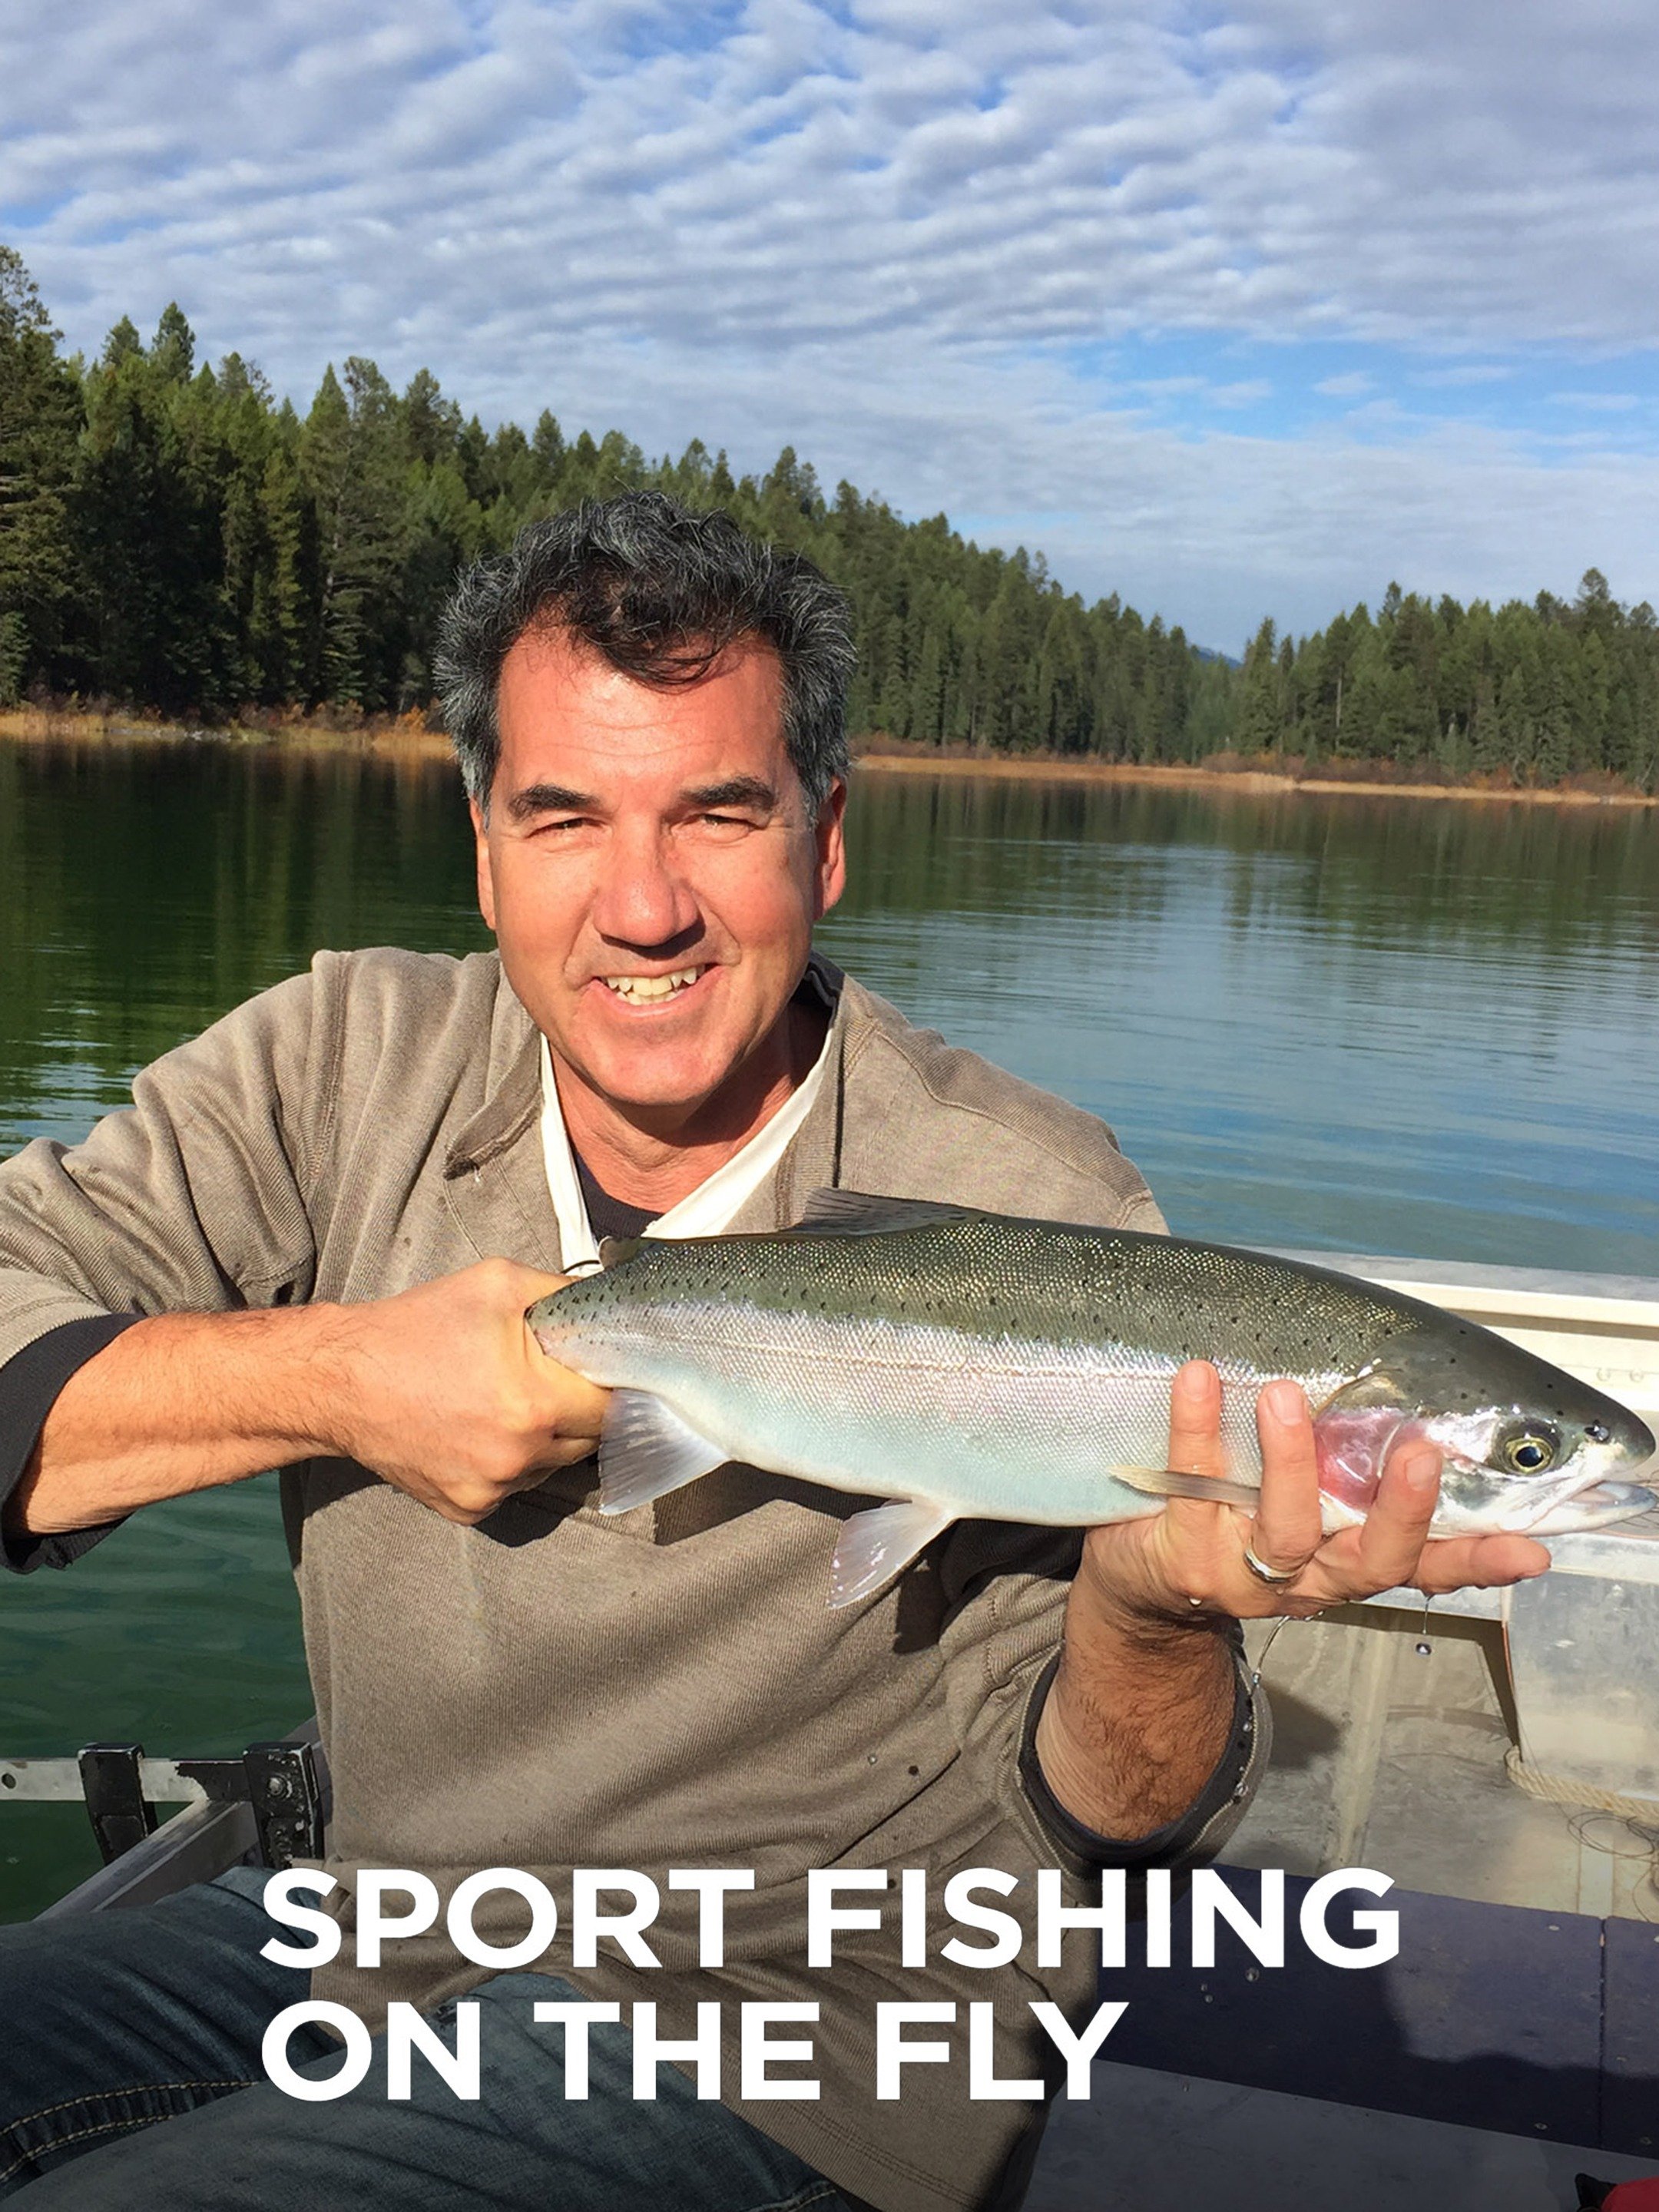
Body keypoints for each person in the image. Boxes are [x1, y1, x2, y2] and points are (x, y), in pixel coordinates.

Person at [0, 494, 1548, 2211]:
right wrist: (336, 1379)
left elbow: (1107, 1818)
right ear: (484, 850)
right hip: (378, 1927)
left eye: (718, 814)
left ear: (824, 844)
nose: (642, 907)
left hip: (796, 2027)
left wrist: (1153, 1610)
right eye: (565, 818)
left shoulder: (1034, 1200)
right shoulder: (341, 1066)